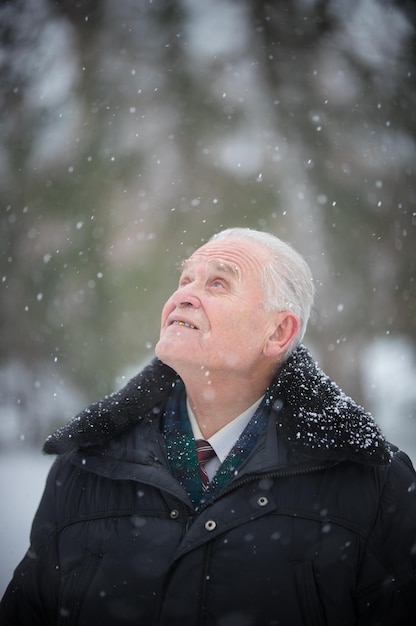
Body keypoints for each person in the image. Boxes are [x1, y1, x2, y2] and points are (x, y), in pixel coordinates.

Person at [1, 227, 415, 626]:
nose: (183, 295)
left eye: (218, 283)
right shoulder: (87, 464)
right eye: (184, 280)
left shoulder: (373, 484)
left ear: (278, 332)